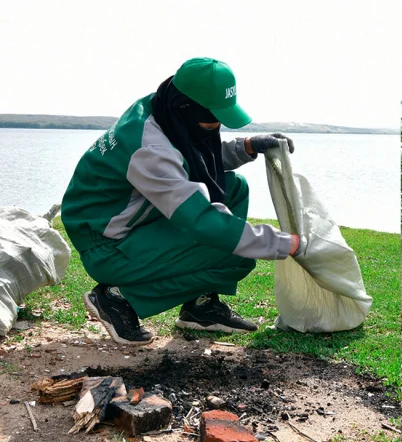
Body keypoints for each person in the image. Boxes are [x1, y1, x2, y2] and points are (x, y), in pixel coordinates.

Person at [62, 57, 306, 346]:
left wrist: (246, 146)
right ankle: (117, 298)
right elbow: (201, 221)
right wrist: (285, 244)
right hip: (107, 247)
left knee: (233, 187)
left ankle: (200, 306)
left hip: (126, 223)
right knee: (237, 256)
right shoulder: (150, 149)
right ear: (186, 109)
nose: (216, 126)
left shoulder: (161, 108)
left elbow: (188, 157)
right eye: (212, 119)